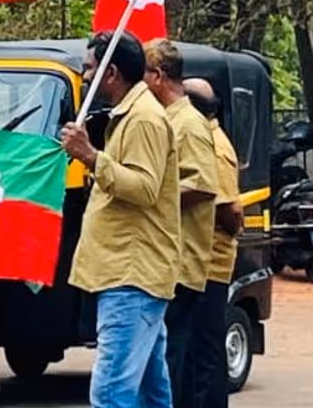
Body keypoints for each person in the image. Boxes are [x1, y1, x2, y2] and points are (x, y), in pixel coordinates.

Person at [59, 31, 178, 408]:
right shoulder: (130, 115)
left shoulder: (143, 119)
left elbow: (144, 188)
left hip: (131, 276)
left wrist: (91, 157)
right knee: (150, 391)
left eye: (89, 68)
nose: (85, 76)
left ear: (110, 73)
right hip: (128, 273)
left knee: (111, 392)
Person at [144, 39, 220, 407]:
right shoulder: (164, 119)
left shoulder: (187, 123)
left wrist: (149, 197)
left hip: (180, 261)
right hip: (162, 258)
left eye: (142, 75)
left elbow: (203, 185)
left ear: (158, 76)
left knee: (170, 358)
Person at [184, 77, 243, 408]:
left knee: (204, 350)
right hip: (199, 259)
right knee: (196, 349)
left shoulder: (214, 147)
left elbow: (229, 209)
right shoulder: (203, 139)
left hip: (209, 261)